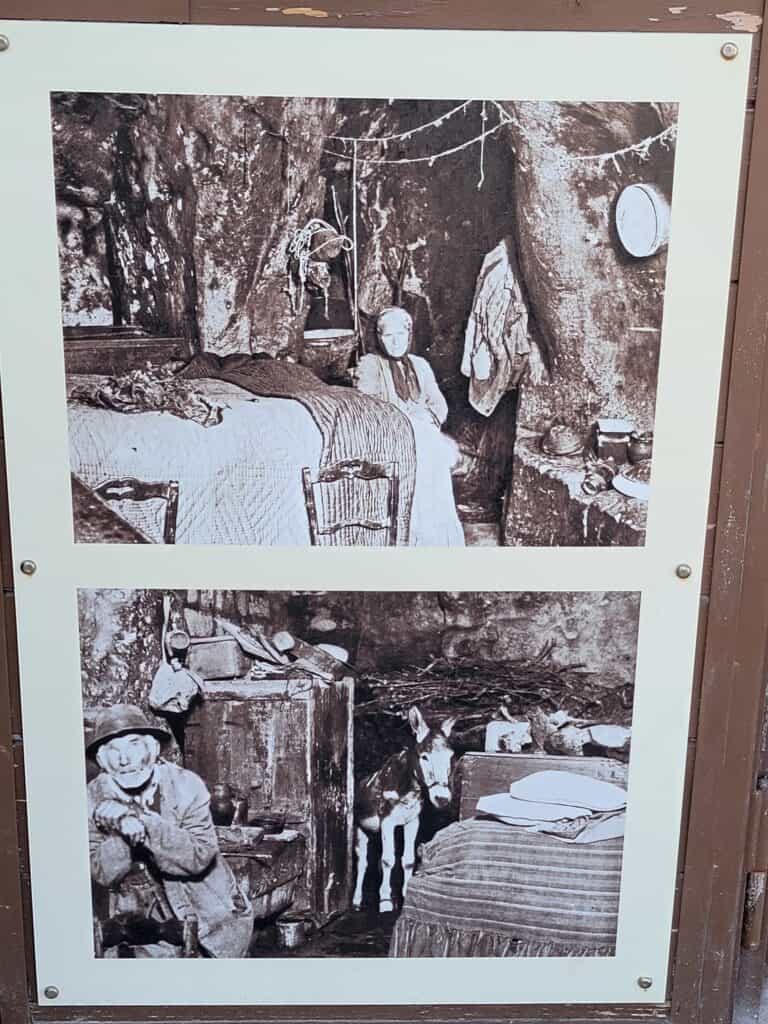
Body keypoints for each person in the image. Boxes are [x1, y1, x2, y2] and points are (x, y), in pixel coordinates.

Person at [87, 703, 253, 958]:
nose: (123, 759)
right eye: (112, 749)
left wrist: (139, 818)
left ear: (152, 749)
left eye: (133, 744)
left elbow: (197, 858)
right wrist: (118, 832)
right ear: (101, 759)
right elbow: (103, 874)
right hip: (139, 921)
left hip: (209, 912)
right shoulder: (93, 795)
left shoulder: (185, 785)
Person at [355, 306, 465, 546]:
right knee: (428, 447)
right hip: (389, 437)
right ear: (379, 337)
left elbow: (439, 405)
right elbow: (369, 407)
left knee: (430, 448)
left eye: (401, 334)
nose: (395, 342)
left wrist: (425, 416)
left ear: (409, 334)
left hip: (423, 434)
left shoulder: (420, 365)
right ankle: (413, 536)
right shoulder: (370, 364)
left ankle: (436, 537)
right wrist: (408, 417)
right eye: (388, 336)